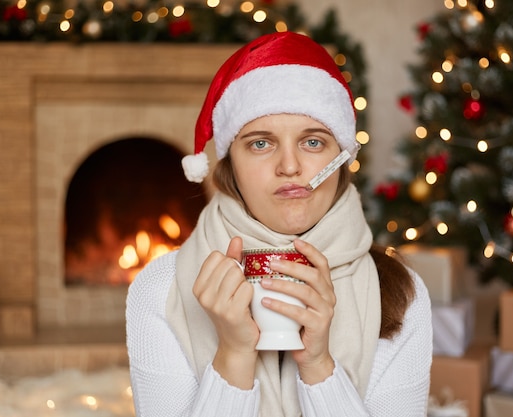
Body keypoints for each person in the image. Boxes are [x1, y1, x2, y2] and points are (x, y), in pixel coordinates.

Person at [126, 31, 432, 416]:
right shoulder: (159, 290)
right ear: (229, 163)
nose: (289, 167)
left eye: (313, 142)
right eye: (260, 143)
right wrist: (234, 356)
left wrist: (318, 366)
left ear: (342, 157)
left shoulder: (403, 295)